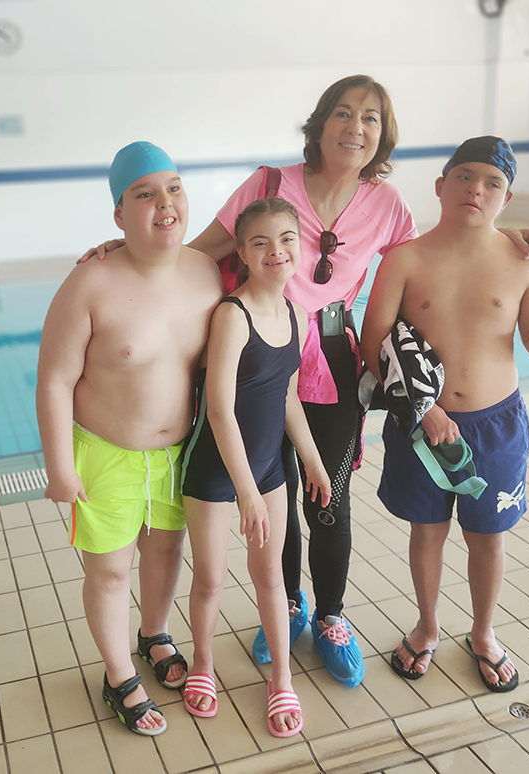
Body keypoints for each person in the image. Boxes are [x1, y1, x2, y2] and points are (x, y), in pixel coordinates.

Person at [78, 75, 529, 688]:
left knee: (329, 498)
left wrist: (511, 236)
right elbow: (197, 251)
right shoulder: (269, 184)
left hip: (331, 363)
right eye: (344, 113)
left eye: (371, 118)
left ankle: (331, 615)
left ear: (382, 135)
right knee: (272, 491)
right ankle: (289, 602)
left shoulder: (388, 205)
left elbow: (446, 249)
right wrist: (128, 247)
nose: (357, 128)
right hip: (259, 363)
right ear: (321, 123)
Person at [360, 136, 529, 692]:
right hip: (422, 424)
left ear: (505, 199)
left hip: (496, 424)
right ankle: (427, 625)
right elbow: (373, 345)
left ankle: (483, 633)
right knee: (427, 531)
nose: (475, 190)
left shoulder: (524, 261)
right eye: (463, 177)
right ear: (441, 186)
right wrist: (426, 409)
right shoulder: (405, 258)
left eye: (492, 183)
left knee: (488, 536)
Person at [36, 141, 223, 735]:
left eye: (174, 189)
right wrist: (60, 467)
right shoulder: (89, 283)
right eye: (145, 194)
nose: (164, 204)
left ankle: (153, 634)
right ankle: (118, 675)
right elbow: (54, 380)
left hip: (179, 454)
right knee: (111, 572)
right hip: (106, 456)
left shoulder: (206, 270)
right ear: (119, 214)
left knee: (166, 552)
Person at [180, 198, 331, 736]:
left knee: (272, 577)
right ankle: (202, 663)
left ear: (300, 245)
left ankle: (281, 678)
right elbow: (219, 411)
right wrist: (244, 491)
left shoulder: (297, 314)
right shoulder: (232, 316)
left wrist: (312, 461)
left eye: (286, 239)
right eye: (260, 242)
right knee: (211, 577)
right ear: (242, 253)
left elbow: (288, 397)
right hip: (215, 471)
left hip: (267, 470)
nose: (276, 251)